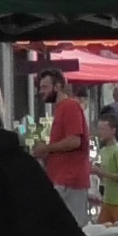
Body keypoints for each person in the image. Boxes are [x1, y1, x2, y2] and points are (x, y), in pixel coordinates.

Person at [33, 69, 92, 227]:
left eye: (45, 87)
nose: (41, 92)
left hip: (69, 179)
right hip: (63, 178)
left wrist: (46, 148)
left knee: (69, 227)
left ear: (57, 86)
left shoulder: (69, 106)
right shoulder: (62, 108)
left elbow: (74, 141)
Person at [93, 113, 118, 224]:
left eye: (103, 129)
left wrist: (101, 172)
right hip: (108, 199)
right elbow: (103, 174)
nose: (100, 132)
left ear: (113, 130)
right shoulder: (103, 150)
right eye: (99, 129)